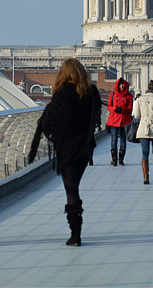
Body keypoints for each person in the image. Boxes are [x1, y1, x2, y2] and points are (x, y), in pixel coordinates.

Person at [27, 58, 101, 246]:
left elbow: (47, 121)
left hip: (67, 149)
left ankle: (75, 235)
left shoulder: (62, 94)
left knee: (71, 190)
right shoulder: (91, 92)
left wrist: (57, 137)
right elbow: (95, 119)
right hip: (84, 148)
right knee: (74, 186)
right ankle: (76, 231)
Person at [133, 80, 153, 184]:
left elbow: (136, 115)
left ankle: (146, 177)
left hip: (143, 127)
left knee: (144, 153)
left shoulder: (140, 99)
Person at [106, 77, 133, 166]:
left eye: (123, 84)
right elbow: (108, 106)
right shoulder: (113, 94)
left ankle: (121, 159)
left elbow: (130, 108)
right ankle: (114, 159)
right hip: (114, 120)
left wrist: (122, 109)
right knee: (113, 139)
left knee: (123, 140)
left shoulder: (129, 96)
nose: (121, 86)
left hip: (124, 120)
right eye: (120, 84)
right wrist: (115, 109)